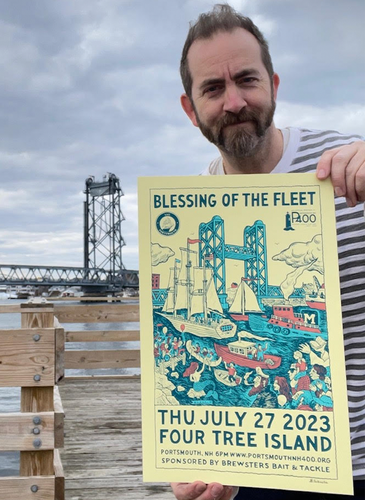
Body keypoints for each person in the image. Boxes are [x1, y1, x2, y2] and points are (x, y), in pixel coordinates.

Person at [171, 4, 364, 500]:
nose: (234, 101)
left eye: (248, 81)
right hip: (256, 474)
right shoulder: (188, 212)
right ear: (190, 108)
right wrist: (189, 455)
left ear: (274, 85)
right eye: (213, 89)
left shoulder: (349, 165)